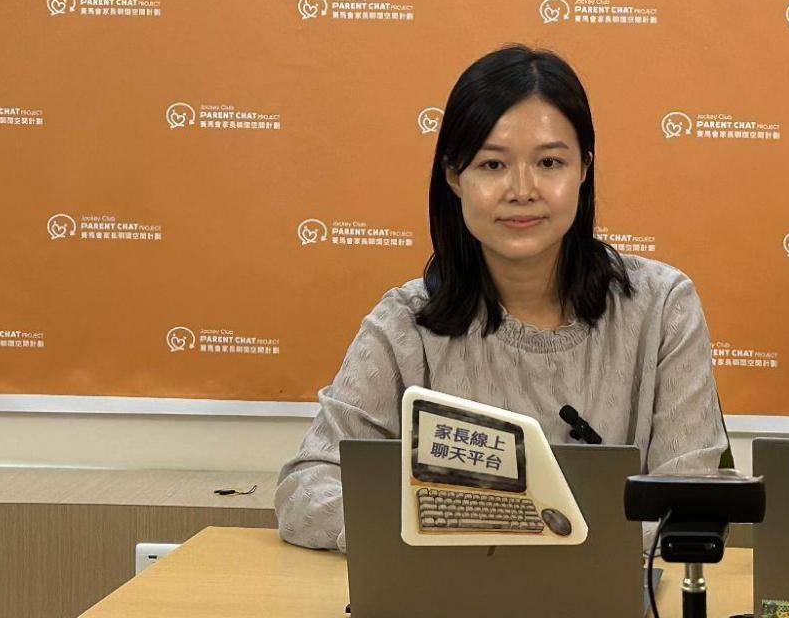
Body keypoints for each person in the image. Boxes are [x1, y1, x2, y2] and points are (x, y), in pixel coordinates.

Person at [276, 44, 728, 549]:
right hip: (453, 591)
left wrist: (551, 542)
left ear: (583, 169)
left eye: (550, 162)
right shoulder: (406, 324)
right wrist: (451, 531)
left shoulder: (663, 308)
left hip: (615, 598)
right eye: (493, 165)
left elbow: (689, 504)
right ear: (454, 175)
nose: (522, 189)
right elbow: (306, 490)